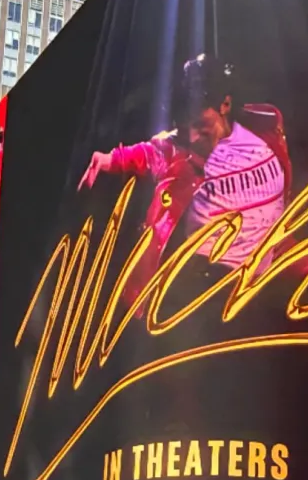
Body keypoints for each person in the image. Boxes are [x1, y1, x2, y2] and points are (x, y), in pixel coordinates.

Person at [77, 54, 292, 300]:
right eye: (185, 126)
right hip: (206, 290)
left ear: (225, 105)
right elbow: (147, 153)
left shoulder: (266, 126)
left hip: (265, 281)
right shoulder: (175, 150)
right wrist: (109, 160)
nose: (191, 137)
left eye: (200, 124)